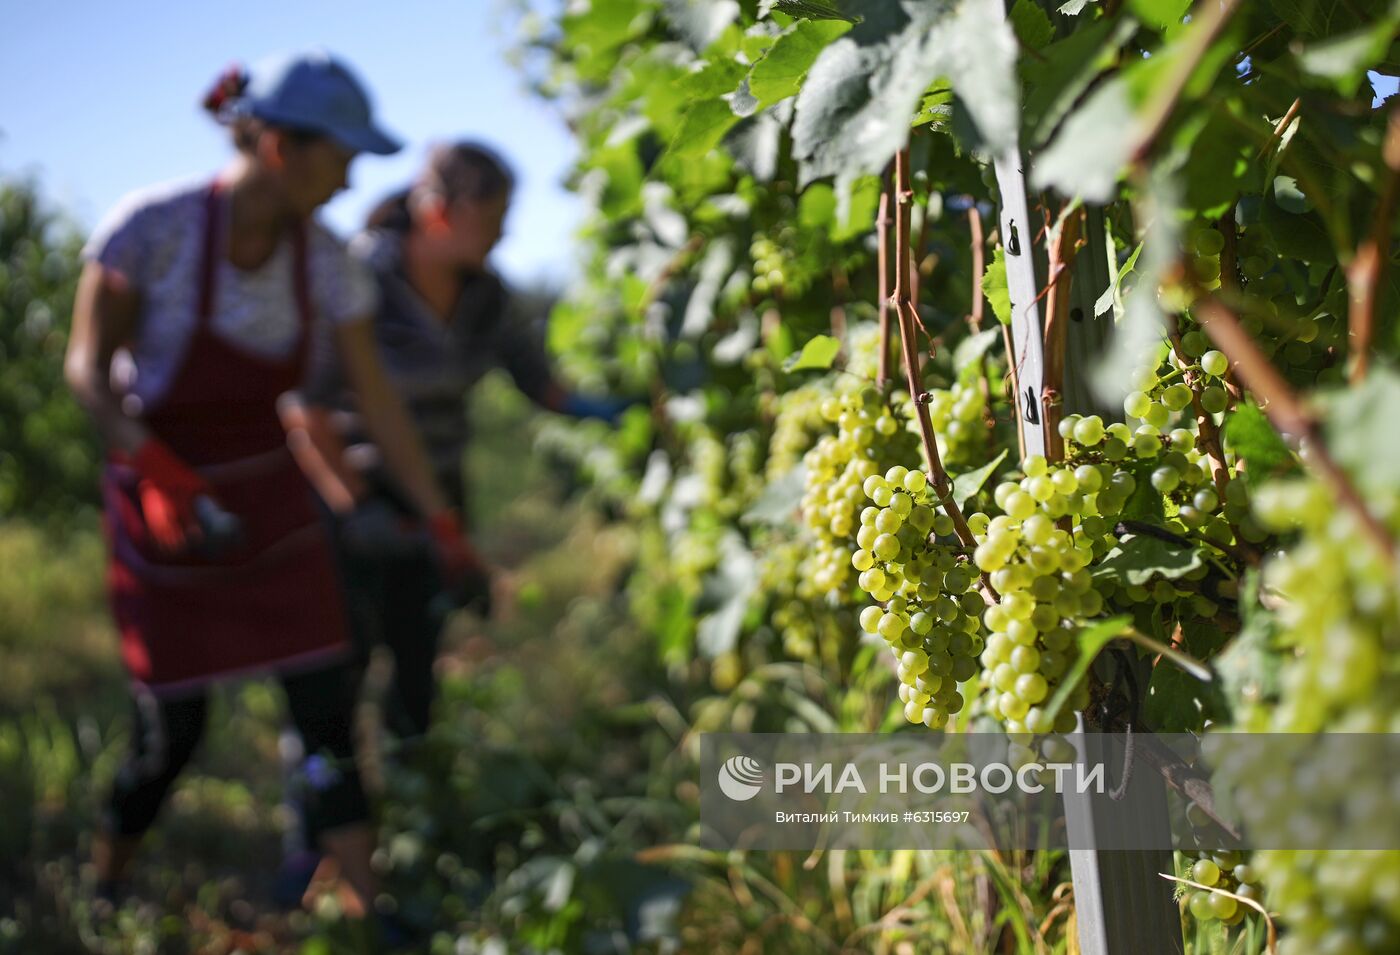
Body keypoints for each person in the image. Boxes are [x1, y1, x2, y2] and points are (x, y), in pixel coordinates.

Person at [64, 51, 479, 928]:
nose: (353, 178)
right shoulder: (150, 232)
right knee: (170, 734)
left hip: (273, 505)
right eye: (343, 156)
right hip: (162, 506)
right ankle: (103, 891)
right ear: (285, 147)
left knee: (326, 704)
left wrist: (440, 519)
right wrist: (158, 471)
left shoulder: (329, 266)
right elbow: (89, 373)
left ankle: (368, 908)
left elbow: (379, 406)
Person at [283, 141, 631, 741]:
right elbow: (305, 406)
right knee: (342, 664)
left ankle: (412, 784)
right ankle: (330, 797)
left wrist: (606, 409)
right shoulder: (360, 279)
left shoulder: (485, 297)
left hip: (437, 494)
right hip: (354, 494)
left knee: (417, 659)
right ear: (440, 212)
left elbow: (537, 383)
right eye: (492, 219)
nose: (502, 234)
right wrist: (355, 506)